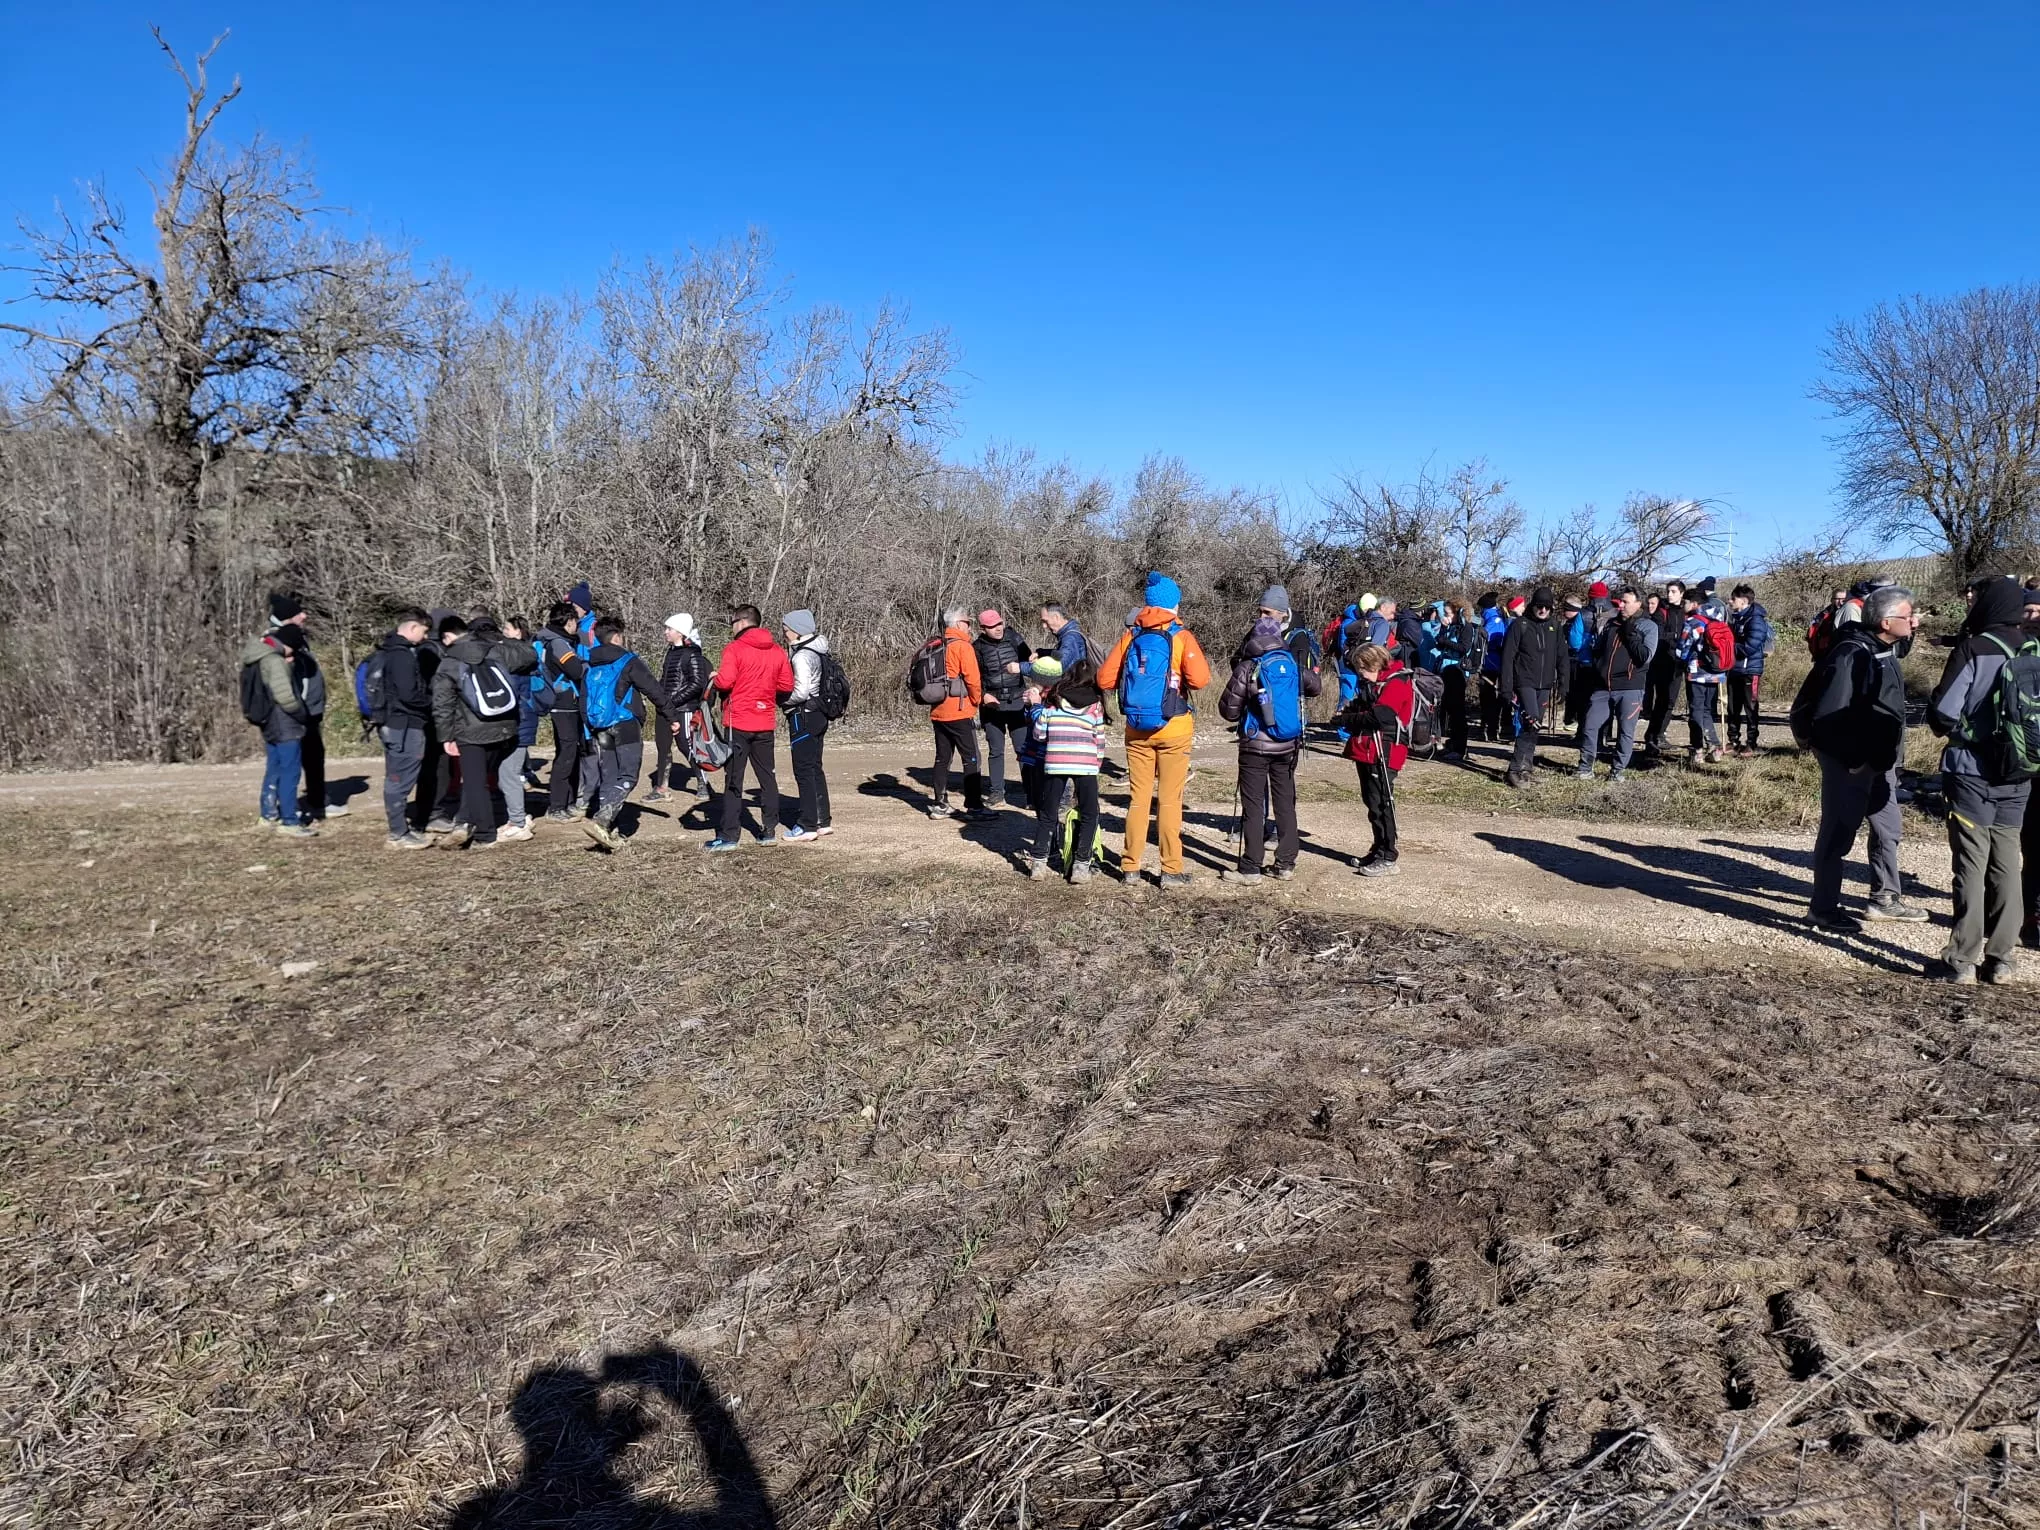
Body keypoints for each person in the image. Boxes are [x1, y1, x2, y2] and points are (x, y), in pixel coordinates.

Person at [1794, 584, 1927, 932]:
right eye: (1908, 616)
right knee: (1838, 834)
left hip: (1880, 761)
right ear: (1885, 622)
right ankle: (1822, 909)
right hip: (1851, 762)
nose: (1914, 621)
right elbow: (1830, 715)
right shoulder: (1852, 653)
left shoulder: (1883, 648)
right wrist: (1853, 759)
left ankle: (1885, 899)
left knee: (1888, 828)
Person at [1928, 576, 2034, 984]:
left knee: (1971, 861)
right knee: (2007, 860)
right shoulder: (2035, 648)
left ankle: (1962, 960)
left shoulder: (1975, 648)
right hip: (2021, 771)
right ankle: (2002, 959)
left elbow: (1944, 713)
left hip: (1971, 770)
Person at [1098, 572, 1212, 889]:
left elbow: (1105, 680)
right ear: (1174, 604)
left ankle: (1130, 867)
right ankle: (1170, 870)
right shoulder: (1181, 636)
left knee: (1138, 799)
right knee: (1169, 801)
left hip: (1136, 729)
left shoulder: (1131, 636)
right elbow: (1201, 680)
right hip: (1174, 726)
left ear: (1147, 605)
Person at [1217, 613, 1322, 882]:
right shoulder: (1290, 662)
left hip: (1255, 745)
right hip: (1287, 744)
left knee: (1253, 804)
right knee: (1285, 802)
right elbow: (1316, 687)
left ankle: (1251, 866)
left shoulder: (1249, 666)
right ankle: (1286, 863)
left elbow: (1228, 711)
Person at [429, 612, 538, 850]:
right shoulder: (493, 649)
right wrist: (502, 638)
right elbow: (528, 654)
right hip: (506, 725)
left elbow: (442, 704)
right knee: (478, 781)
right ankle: (464, 822)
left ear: (447, 636)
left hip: (472, 731)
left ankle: (485, 835)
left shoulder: (449, 662)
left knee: (475, 783)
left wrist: (445, 736)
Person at [571, 615, 679, 850]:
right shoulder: (628, 660)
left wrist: (588, 729)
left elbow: (583, 700)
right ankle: (601, 821)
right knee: (628, 776)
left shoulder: (588, 663)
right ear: (617, 637)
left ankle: (609, 832)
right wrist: (671, 716)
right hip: (625, 724)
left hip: (599, 727)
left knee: (609, 778)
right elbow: (654, 690)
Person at [708, 605, 794, 850]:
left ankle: (729, 836)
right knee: (767, 777)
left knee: (734, 780)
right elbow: (786, 686)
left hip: (738, 722)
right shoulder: (777, 651)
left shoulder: (735, 649)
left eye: (732, 621)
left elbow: (725, 681)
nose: (731, 626)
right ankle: (768, 831)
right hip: (764, 721)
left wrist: (715, 678)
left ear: (742, 622)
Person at [238, 592, 317, 839]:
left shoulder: (258, 654)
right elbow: (285, 696)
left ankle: (268, 813)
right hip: (285, 723)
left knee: (274, 768)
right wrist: (300, 713)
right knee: (290, 771)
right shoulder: (274, 662)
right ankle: (290, 820)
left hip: (268, 721)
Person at [1021, 658, 1107, 882]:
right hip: (1085, 765)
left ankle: (1038, 864)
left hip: (1055, 762)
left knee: (1048, 814)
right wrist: (1095, 765)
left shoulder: (1053, 702)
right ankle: (1081, 865)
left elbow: (1039, 734)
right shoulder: (1095, 705)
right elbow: (1099, 741)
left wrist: (1035, 709)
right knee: (1090, 814)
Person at [1344, 642, 1414, 876]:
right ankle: (1378, 848)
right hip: (1368, 749)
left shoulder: (1397, 682)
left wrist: (1348, 719)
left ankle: (1388, 855)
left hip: (1385, 752)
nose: (1360, 674)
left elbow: (1381, 716)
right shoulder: (1375, 684)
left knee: (1382, 802)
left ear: (1372, 664)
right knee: (1372, 802)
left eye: (1361, 669)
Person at [366, 608, 435, 848]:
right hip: (404, 724)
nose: (425, 637)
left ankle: (400, 829)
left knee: (397, 775)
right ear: (413, 627)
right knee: (400, 778)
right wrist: (432, 703)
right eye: (424, 631)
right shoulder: (402, 655)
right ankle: (398, 833)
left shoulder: (385, 651)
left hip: (390, 723)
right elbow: (408, 694)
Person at [1575, 587, 1655, 781]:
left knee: (1625, 732)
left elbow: (1644, 657)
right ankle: (1585, 768)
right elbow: (1598, 650)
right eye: (1620, 601)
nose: (1621, 605)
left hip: (1630, 687)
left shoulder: (1648, 626)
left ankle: (1617, 771)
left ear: (1638, 603)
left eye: (1626, 602)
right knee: (1590, 726)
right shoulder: (1611, 624)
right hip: (1603, 686)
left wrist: (1630, 633)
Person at [921, 607, 991, 821]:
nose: (970, 626)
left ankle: (940, 803)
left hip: (938, 709)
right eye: (967, 622)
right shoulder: (962, 646)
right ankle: (974, 806)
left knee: (942, 758)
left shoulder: (936, 645)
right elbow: (972, 679)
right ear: (959, 624)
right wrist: (976, 701)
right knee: (972, 758)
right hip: (959, 711)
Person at [1499, 586, 1563, 788]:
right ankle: (1514, 769)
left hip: (1545, 684)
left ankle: (1527, 767)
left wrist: (1564, 684)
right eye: (1539, 606)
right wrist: (1506, 688)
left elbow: (1562, 657)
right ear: (1532, 606)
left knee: (1536, 727)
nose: (1543, 610)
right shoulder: (1520, 625)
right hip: (1524, 682)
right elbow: (1507, 658)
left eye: (1547, 607)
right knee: (1530, 722)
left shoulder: (1555, 626)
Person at [780, 609, 834, 843]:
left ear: (796, 630)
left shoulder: (801, 656)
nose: (784, 633)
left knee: (803, 769)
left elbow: (800, 691)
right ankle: (822, 820)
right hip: (819, 714)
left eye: (786, 629)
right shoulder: (820, 650)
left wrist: (782, 701)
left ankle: (807, 824)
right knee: (815, 767)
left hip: (803, 716)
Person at [535, 602, 592, 822]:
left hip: (565, 702)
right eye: (575, 622)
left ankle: (567, 803)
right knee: (567, 753)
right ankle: (557, 807)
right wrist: (586, 663)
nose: (577, 626)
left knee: (570, 751)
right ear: (569, 622)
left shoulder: (549, 639)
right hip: (564, 703)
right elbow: (576, 670)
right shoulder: (559, 644)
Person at [646, 613, 711, 804]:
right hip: (665, 709)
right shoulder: (670, 652)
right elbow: (665, 680)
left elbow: (697, 683)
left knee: (686, 746)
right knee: (663, 748)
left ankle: (702, 782)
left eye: (669, 629)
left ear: (680, 632)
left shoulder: (693, 654)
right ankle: (662, 788)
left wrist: (672, 701)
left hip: (684, 709)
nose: (666, 632)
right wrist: (660, 699)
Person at [973, 609, 1032, 805]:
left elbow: (1031, 664)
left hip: (1017, 701)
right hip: (992, 706)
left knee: (1023, 749)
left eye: (999, 624)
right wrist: (983, 696)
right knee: (995, 750)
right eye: (991, 626)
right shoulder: (977, 647)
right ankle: (997, 793)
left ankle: (1031, 794)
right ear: (982, 628)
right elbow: (974, 678)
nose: (997, 629)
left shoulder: (1014, 638)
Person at [1680, 595, 1731, 763]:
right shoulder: (1720, 620)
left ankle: (1697, 750)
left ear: (1695, 604)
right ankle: (1715, 747)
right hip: (1717, 673)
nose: (1684, 604)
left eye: (1686, 601)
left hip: (1697, 674)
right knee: (1708, 710)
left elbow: (1683, 649)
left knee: (1695, 710)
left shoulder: (1693, 622)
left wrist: (1683, 661)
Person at [1726, 584, 1773, 756]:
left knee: (1750, 706)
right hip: (1734, 669)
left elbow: (1751, 646)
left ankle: (1751, 743)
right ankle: (1733, 740)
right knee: (1732, 706)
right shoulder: (1736, 618)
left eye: (1733, 598)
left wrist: (1728, 648)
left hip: (1750, 670)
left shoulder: (1756, 620)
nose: (1730, 601)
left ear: (1744, 601)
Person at [1642, 578, 1687, 757]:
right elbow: (1659, 634)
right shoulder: (1662, 612)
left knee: (1670, 701)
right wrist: (1676, 636)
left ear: (1681, 594)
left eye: (1673, 592)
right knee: (1661, 700)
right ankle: (1652, 736)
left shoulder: (1685, 612)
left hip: (1678, 663)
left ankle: (1659, 733)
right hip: (1661, 662)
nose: (1669, 595)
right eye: (1668, 591)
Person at [1040, 603, 1090, 674]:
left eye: (1045, 621)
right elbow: (1063, 654)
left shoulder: (1070, 638)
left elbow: (1057, 667)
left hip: (1073, 684)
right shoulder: (1070, 633)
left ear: (1056, 617)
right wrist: (1041, 653)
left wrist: (1022, 667)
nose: (1044, 626)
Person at [1806, 585, 1849, 660]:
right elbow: (1812, 631)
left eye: (1843, 599)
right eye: (1837, 599)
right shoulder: (1824, 615)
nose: (1840, 602)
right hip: (1825, 652)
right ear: (1832, 600)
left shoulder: (1850, 613)